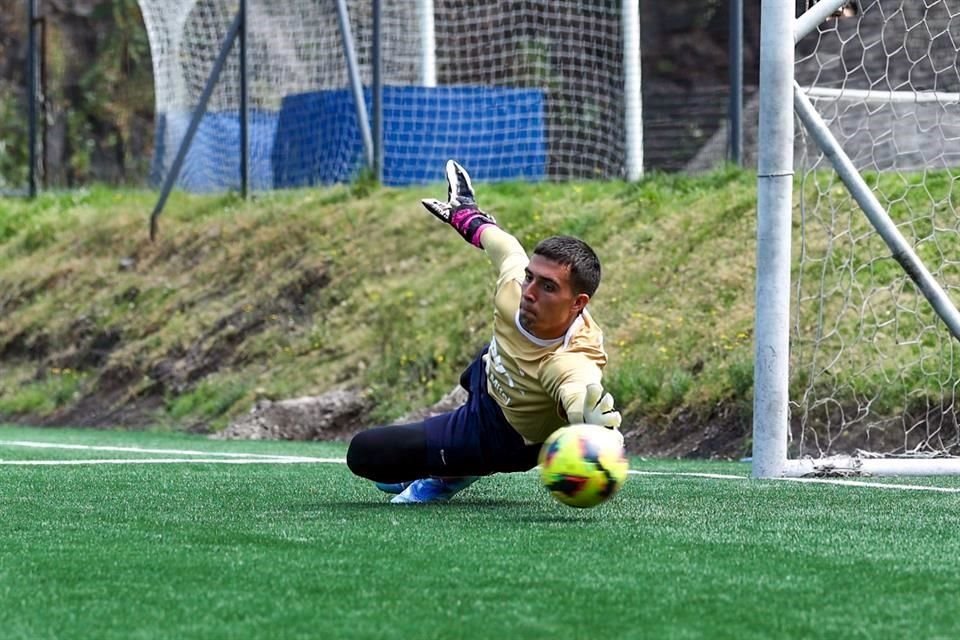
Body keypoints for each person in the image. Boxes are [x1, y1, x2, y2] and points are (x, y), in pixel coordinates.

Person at [346, 160, 622, 504]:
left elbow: (576, 386)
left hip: (501, 436)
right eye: (530, 277)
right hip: (489, 378)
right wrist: (465, 213)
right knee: (478, 362)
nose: (530, 291)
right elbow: (503, 247)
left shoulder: (571, 358)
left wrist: (589, 422)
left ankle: (454, 472)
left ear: (578, 303)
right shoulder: (516, 285)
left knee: (365, 454)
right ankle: (450, 456)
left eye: (548, 286)